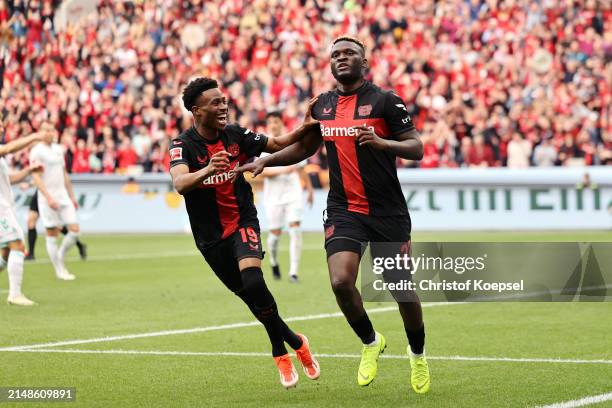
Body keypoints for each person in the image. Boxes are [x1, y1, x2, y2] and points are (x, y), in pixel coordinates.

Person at [238, 36, 431, 394]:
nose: (342, 58)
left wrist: (382, 142)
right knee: (342, 282)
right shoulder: (322, 105)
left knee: (400, 290)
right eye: (336, 54)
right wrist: (267, 160)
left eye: (350, 53)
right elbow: (305, 147)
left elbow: (416, 146)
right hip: (344, 209)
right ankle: (371, 342)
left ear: (364, 61)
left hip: (387, 212)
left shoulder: (386, 101)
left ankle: (417, 354)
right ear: (330, 64)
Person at [168, 77, 320, 389]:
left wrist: (303, 129)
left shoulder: (235, 134)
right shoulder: (182, 146)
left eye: (224, 100)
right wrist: (209, 169)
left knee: (253, 281)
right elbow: (180, 184)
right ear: (196, 111)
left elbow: (275, 145)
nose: (223, 106)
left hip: (242, 221)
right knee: (251, 299)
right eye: (215, 102)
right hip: (210, 238)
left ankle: (279, 351)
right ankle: (295, 340)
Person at [260, 111, 314, 282]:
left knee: (295, 229)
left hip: (293, 193)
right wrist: (285, 169)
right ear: (268, 125)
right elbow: (262, 173)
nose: (273, 125)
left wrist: (310, 190)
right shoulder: (263, 146)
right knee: (274, 236)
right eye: (270, 123)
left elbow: (301, 169)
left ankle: (293, 272)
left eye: (276, 121)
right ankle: (274, 261)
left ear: (281, 123)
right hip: (273, 197)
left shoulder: (291, 142)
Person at [29, 122, 81, 281]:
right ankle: (59, 269)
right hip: (47, 198)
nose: (49, 133)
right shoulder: (36, 151)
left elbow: (64, 173)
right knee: (52, 234)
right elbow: (36, 176)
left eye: (51, 130)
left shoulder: (59, 149)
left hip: (63, 196)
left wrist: (72, 196)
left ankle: (60, 255)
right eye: (45, 130)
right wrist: (48, 197)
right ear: (40, 132)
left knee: (75, 230)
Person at [0, 126, 45, 305]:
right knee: (18, 243)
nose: (2, 127)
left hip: (5, 206)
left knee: (5, 252)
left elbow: (8, 179)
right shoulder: (3, 150)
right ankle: (14, 294)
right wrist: (35, 136)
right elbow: (9, 148)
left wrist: (28, 171)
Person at [25, 189, 87, 261]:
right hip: (39, 194)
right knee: (30, 223)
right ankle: (31, 254)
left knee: (56, 226)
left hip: (51, 195)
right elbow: (37, 179)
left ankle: (79, 245)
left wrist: (29, 184)